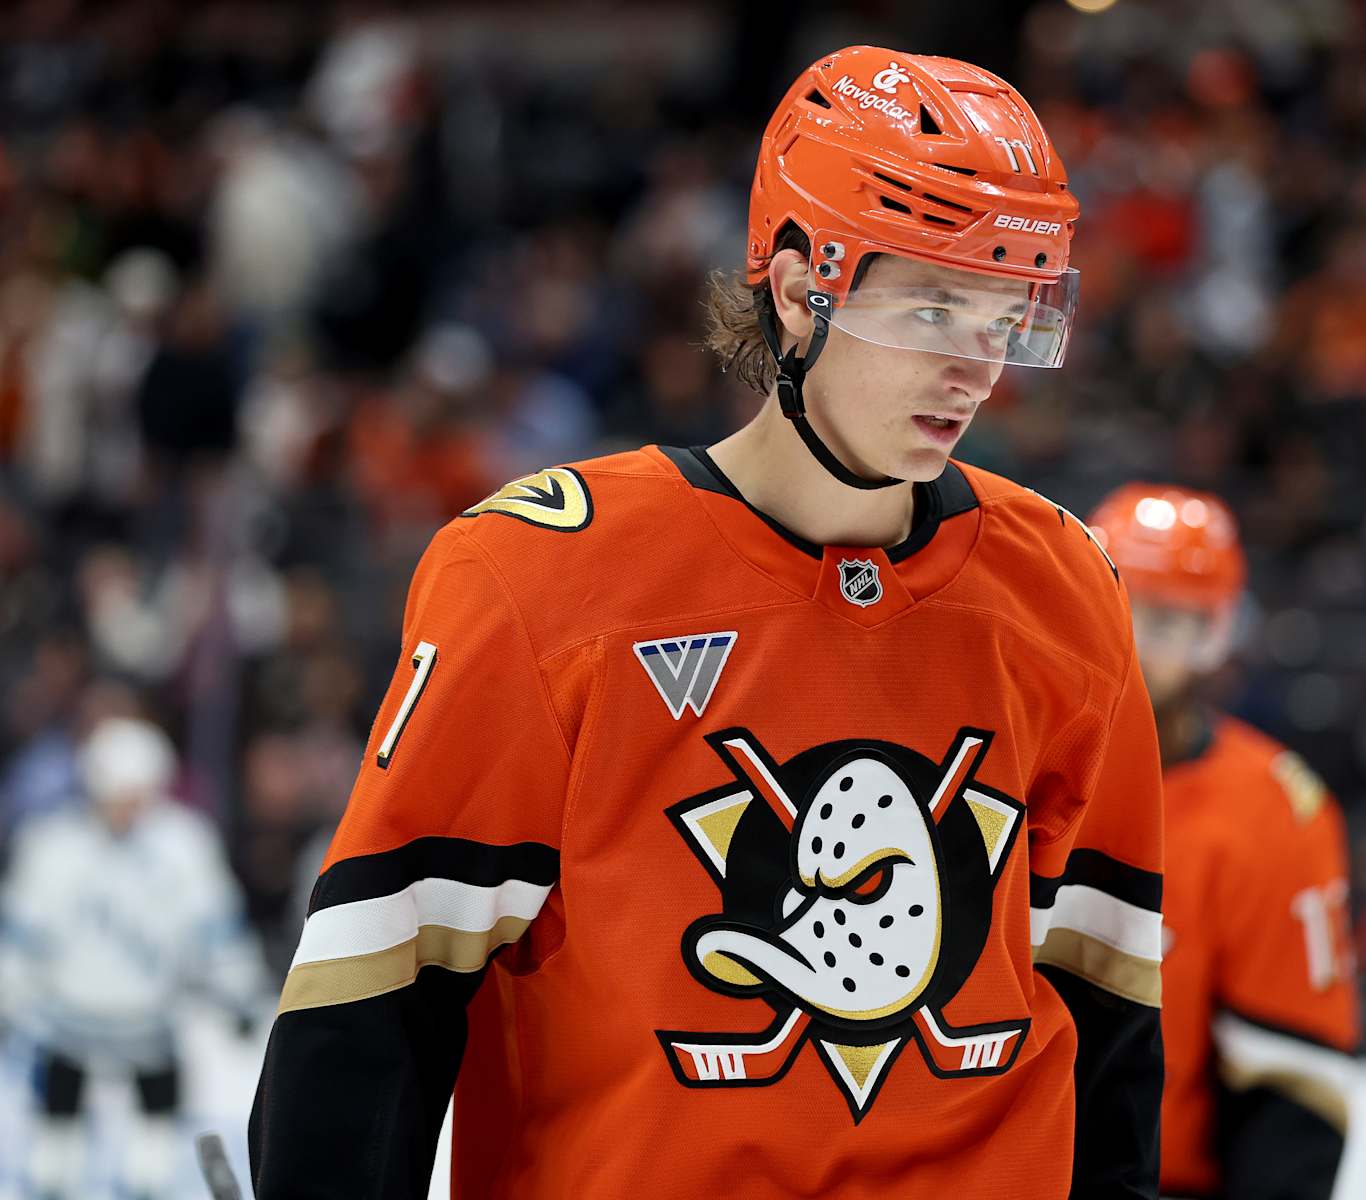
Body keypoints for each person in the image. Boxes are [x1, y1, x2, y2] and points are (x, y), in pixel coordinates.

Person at [250, 46, 1165, 1198]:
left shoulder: (1069, 589)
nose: (973, 369)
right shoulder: (535, 577)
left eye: (1003, 315)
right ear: (795, 290)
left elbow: (1109, 1011)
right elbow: (375, 1003)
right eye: (933, 304)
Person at [1088, 485, 1358, 1200]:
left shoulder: (1275, 810)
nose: (1146, 648)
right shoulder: (994, 756)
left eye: (1179, 624)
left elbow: (1293, 1083)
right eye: (1131, 612)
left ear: (1219, 635)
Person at [0, 716, 268, 1200]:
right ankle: (51, 1182)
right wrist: (8, 995)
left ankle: (148, 1184)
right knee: (57, 1122)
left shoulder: (184, 845)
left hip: (153, 1019)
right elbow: (24, 933)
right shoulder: (54, 846)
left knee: (156, 1128)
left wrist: (240, 993)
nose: (125, 807)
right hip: (67, 1018)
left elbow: (216, 930)